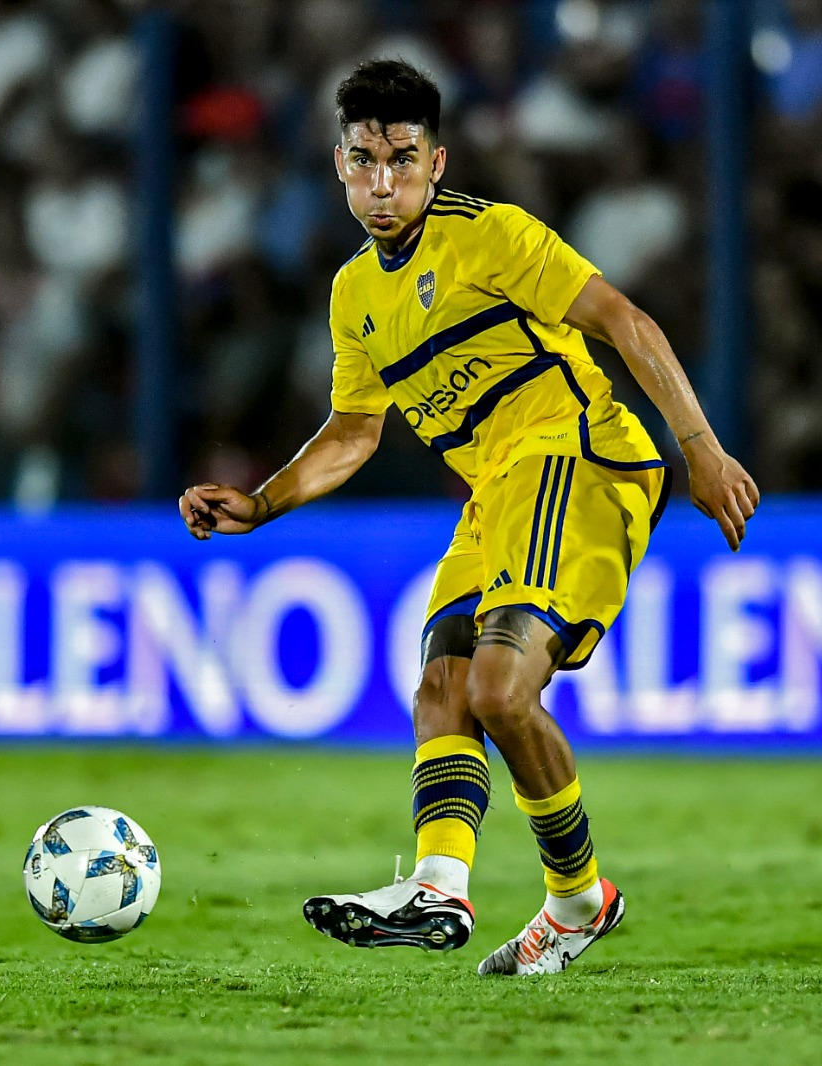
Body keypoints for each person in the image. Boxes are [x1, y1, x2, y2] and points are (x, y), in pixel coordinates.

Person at [177, 60, 758, 977]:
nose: (382, 183)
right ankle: (459, 887)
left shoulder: (491, 236)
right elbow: (353, 433)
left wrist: (703, 448)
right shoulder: (354, 295)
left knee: (496, 688)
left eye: (401, 160)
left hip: (580, 454)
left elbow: (626, 321)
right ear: (338, 165)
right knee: (443, 685)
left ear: (437, 163)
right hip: (497, 490)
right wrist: (263, 503)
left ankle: (562, 899)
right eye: (364, 161)